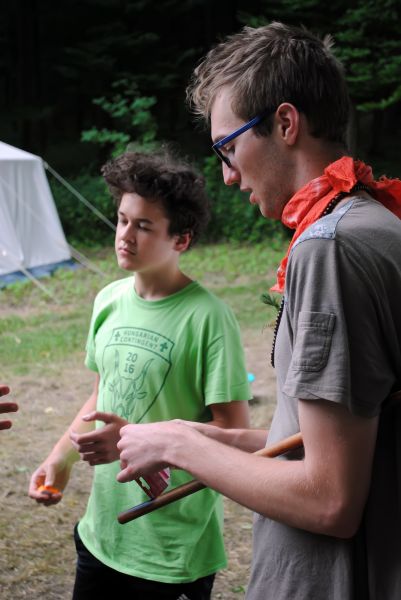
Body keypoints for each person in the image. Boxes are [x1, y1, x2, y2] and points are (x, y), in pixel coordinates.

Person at [116, 22, 401, 600]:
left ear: (285, 123)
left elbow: (330, 498)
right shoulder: (377, 222)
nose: (225, 173)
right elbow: (310, 439)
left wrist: (178, 448)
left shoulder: (331, 247)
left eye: (229, 147)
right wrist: (179, 430)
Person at [29, 150, 251, 599]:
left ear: (181, 240)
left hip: (172, 550)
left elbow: (233, 430)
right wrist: (60, 458)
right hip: (102, 535)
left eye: (144, 226)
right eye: (122, 220)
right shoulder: (108, 300)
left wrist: (145, 441)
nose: (124, 236)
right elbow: (100, 398)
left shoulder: (208, 318)